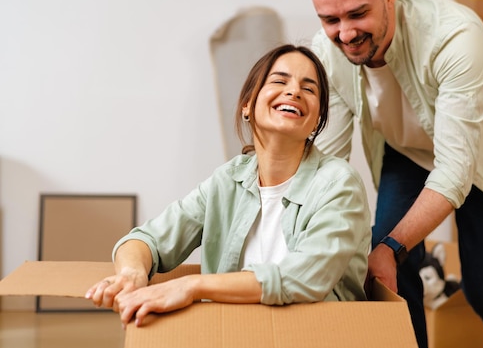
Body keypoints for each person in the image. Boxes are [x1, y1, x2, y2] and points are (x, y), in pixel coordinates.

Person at [307, 0, 483, 347]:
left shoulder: (455, 37)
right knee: (388, 268)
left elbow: (455, 170)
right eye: (331, 20)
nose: (345, 33)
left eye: (357, 13)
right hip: (410, 151)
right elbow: (327, 165)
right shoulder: (328, 54)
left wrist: (387, 246)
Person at [85, 44, 372, 327]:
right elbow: (148, 239)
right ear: (247, 104)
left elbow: (306, 277)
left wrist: (194, 286)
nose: (294, 91)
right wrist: (132, 273)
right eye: (279, 81)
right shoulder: (227, 181)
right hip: (231, 334)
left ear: (317, 120)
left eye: (309, 89)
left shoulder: (338, 183)